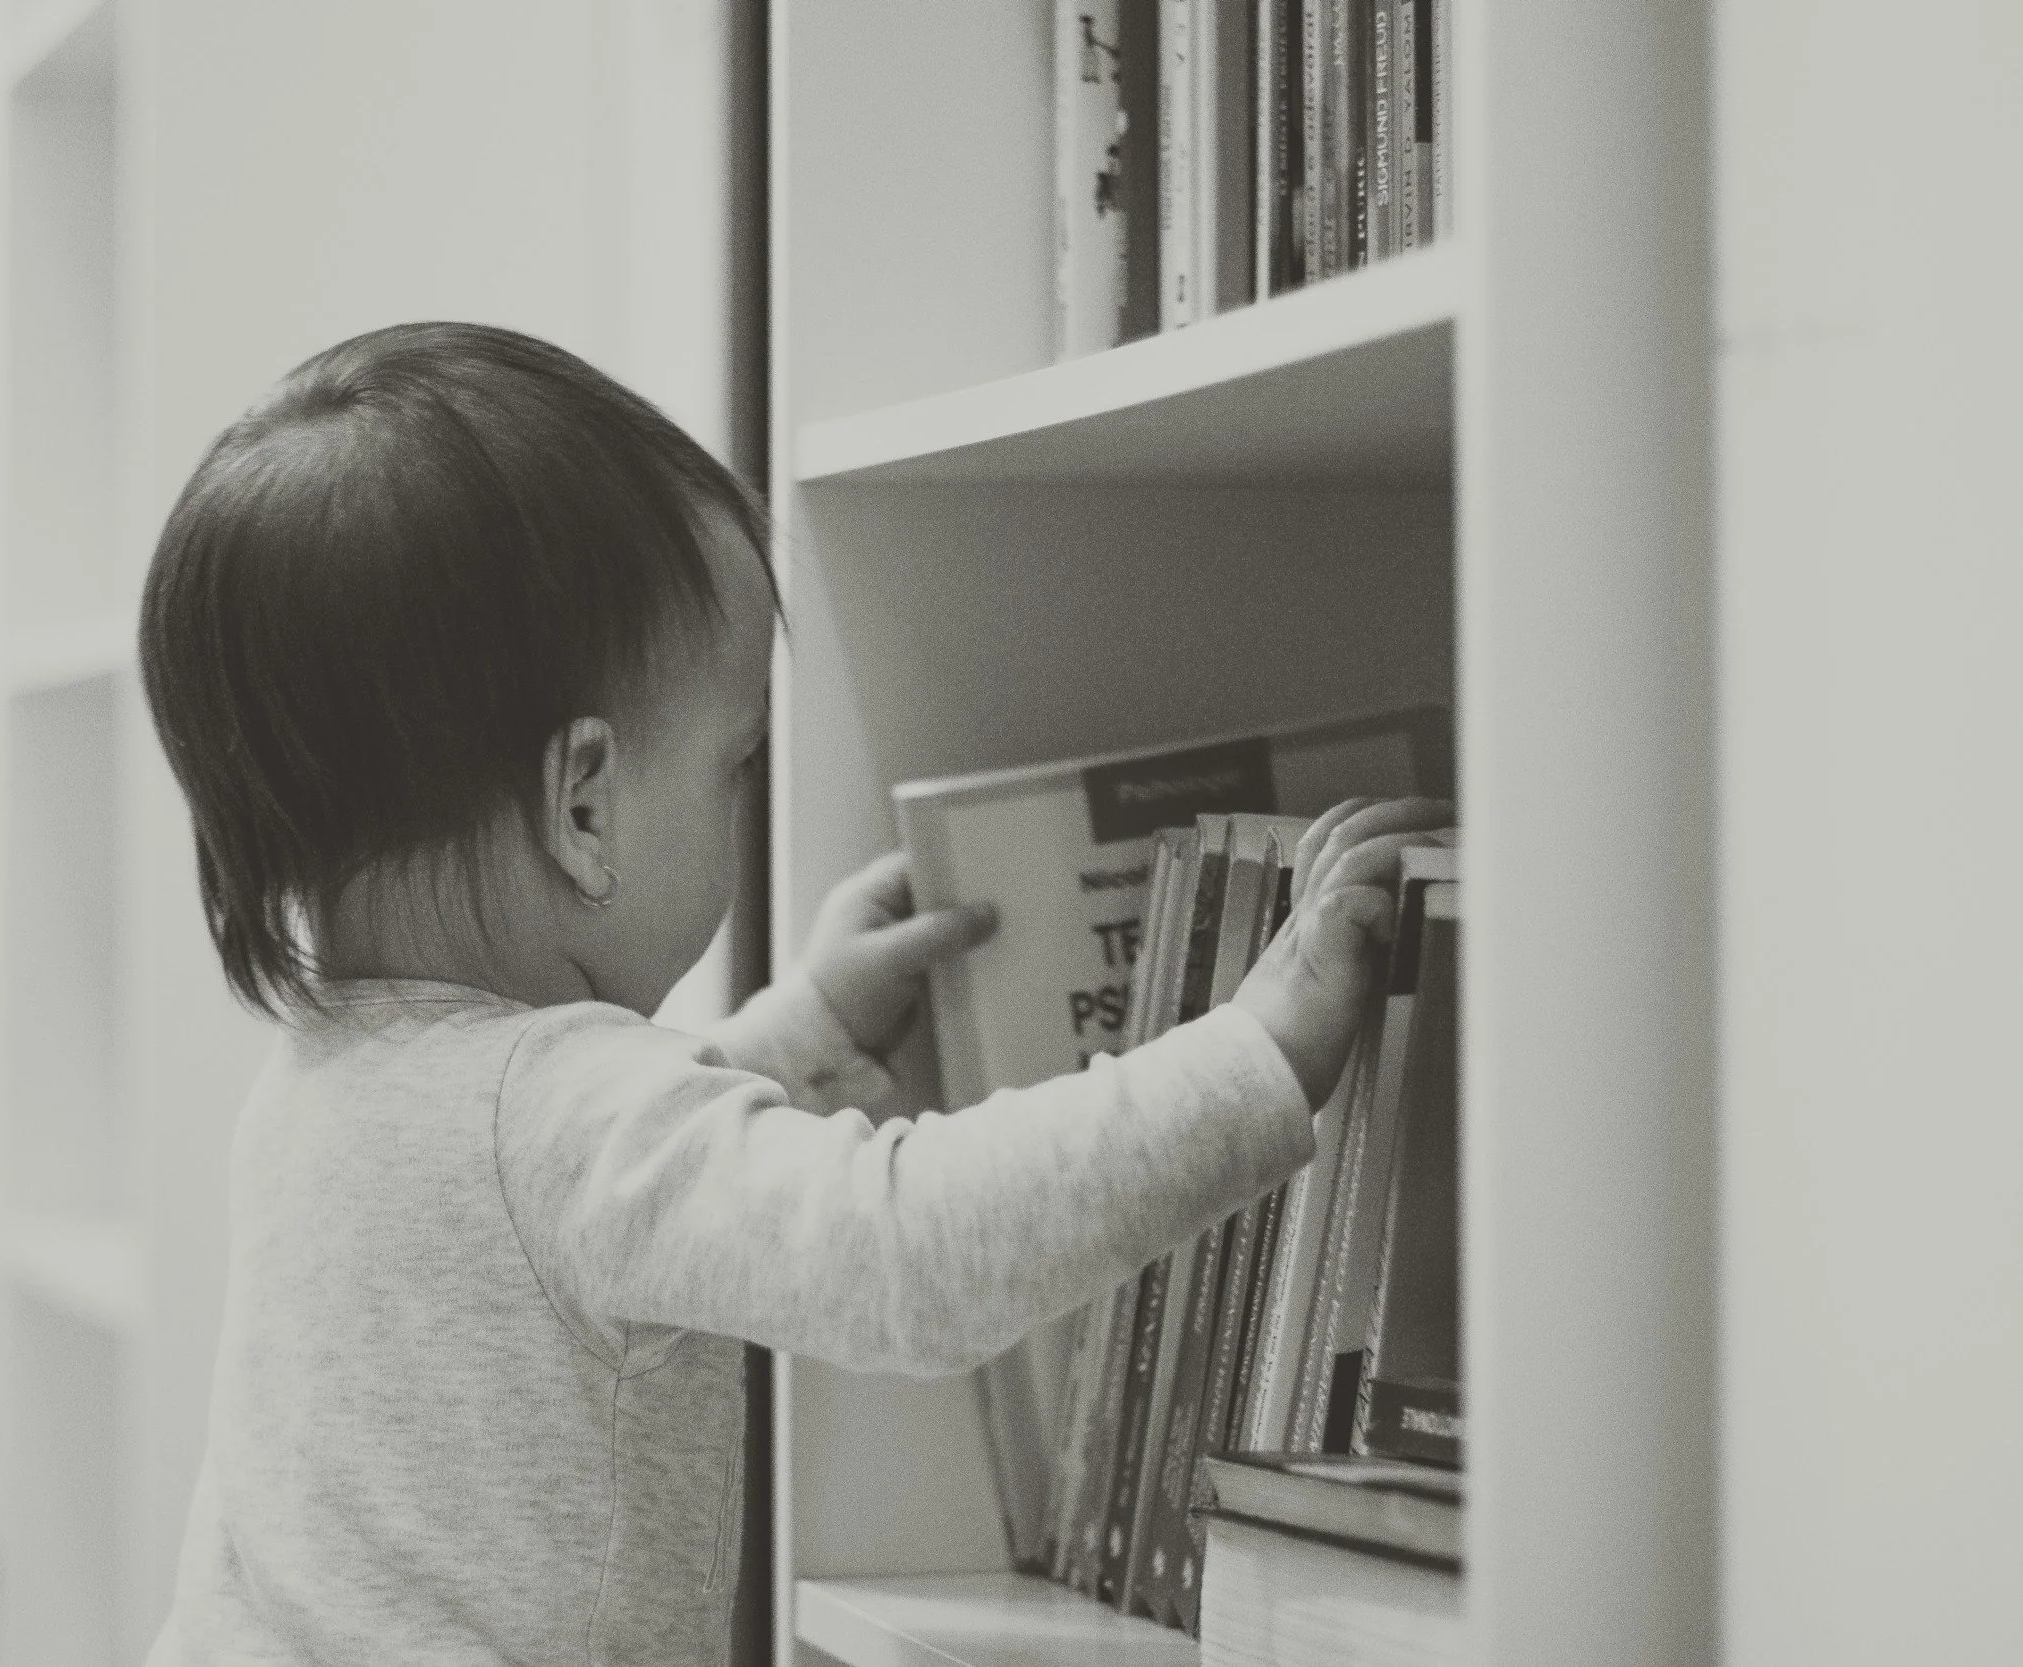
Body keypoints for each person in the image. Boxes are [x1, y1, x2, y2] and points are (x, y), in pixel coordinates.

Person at [136, 322, 1447, 1666]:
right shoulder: (565, 1119)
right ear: (582, 803)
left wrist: (805, 1036)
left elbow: (578, 1208)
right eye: (736, 761)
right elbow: (914, 1247)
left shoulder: (320, 1082)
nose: (746, 795)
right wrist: (1260, 1049)